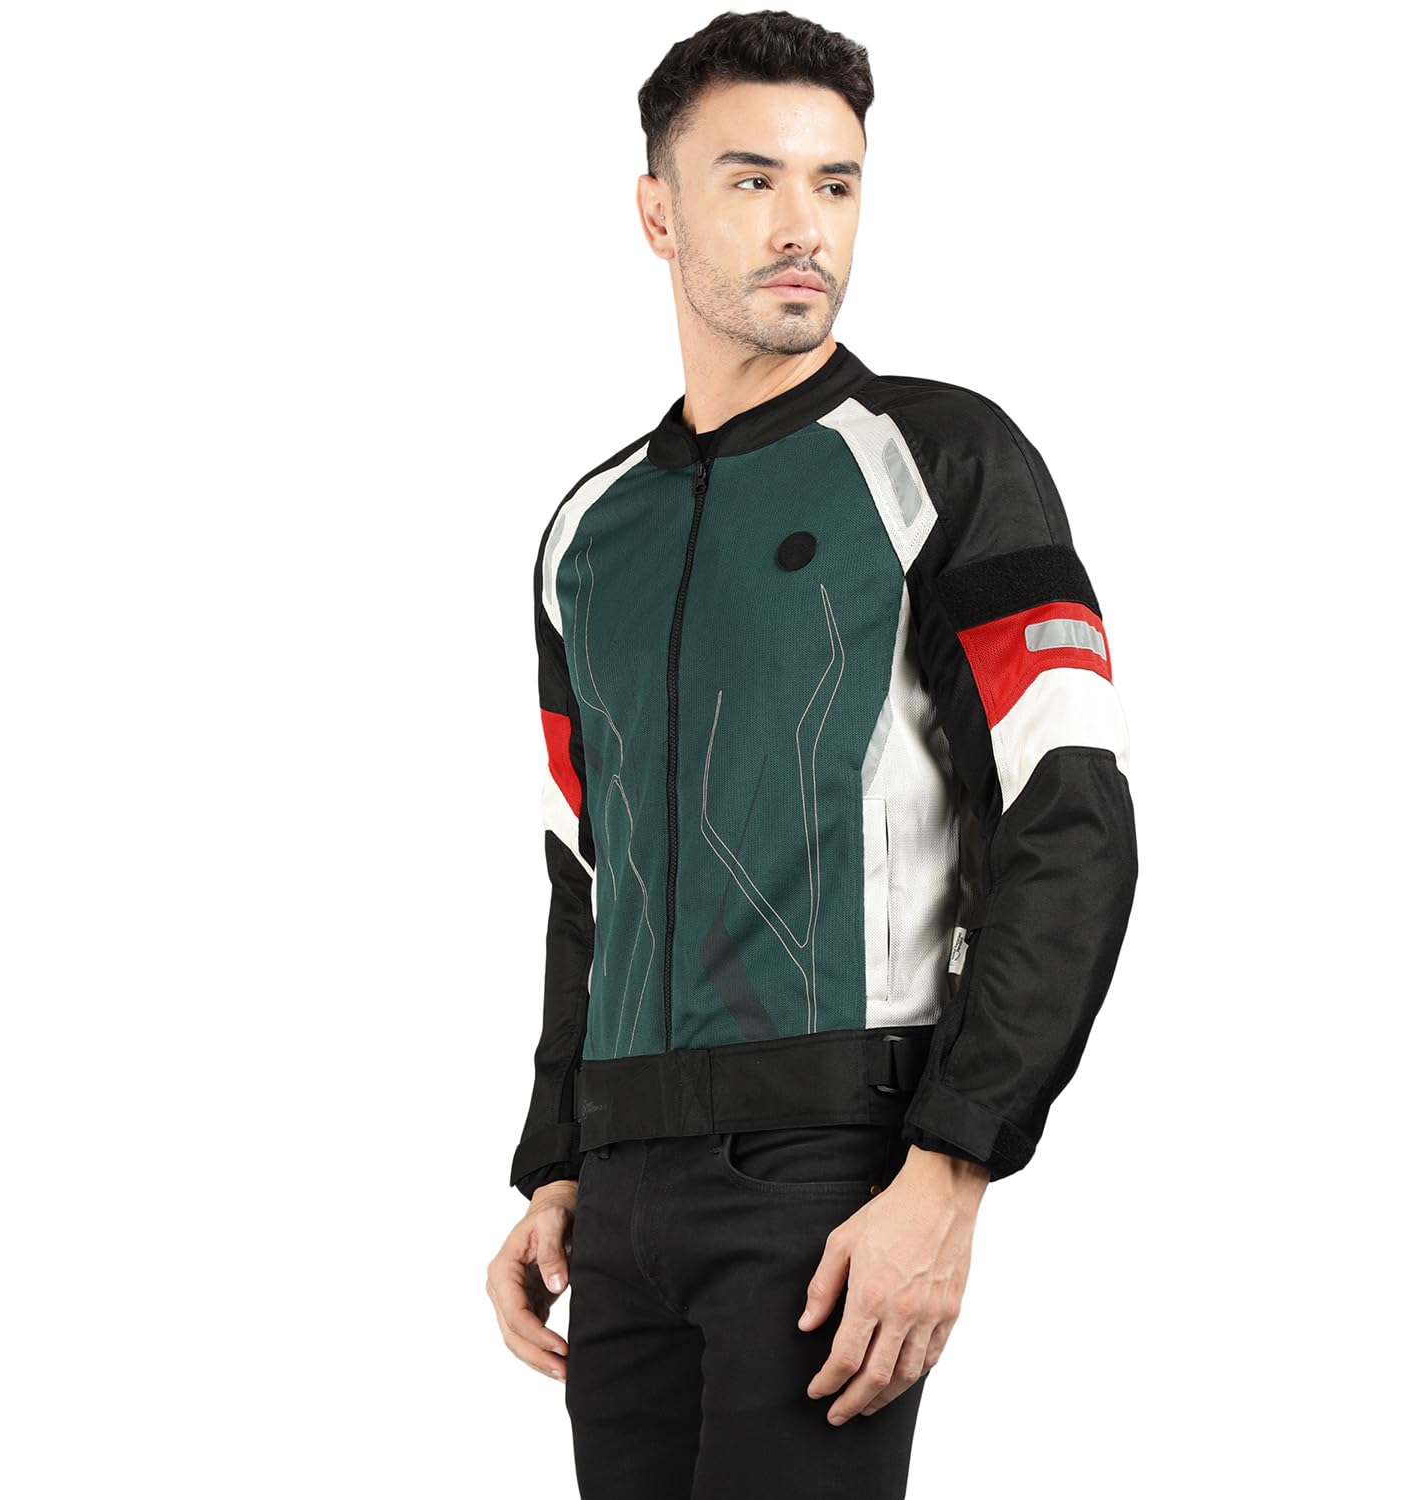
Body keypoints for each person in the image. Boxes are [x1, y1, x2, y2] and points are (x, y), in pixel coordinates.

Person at [485, 12, 1139, 1498]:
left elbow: (1072, 822)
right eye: (753, 181)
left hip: (833, 1178)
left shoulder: (944, 459)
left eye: (836, 184)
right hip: (624, 1201)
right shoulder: (588, 535)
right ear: (657, 212)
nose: (804, 226)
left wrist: (952, 1168)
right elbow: (590, 875)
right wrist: (561, 1161)